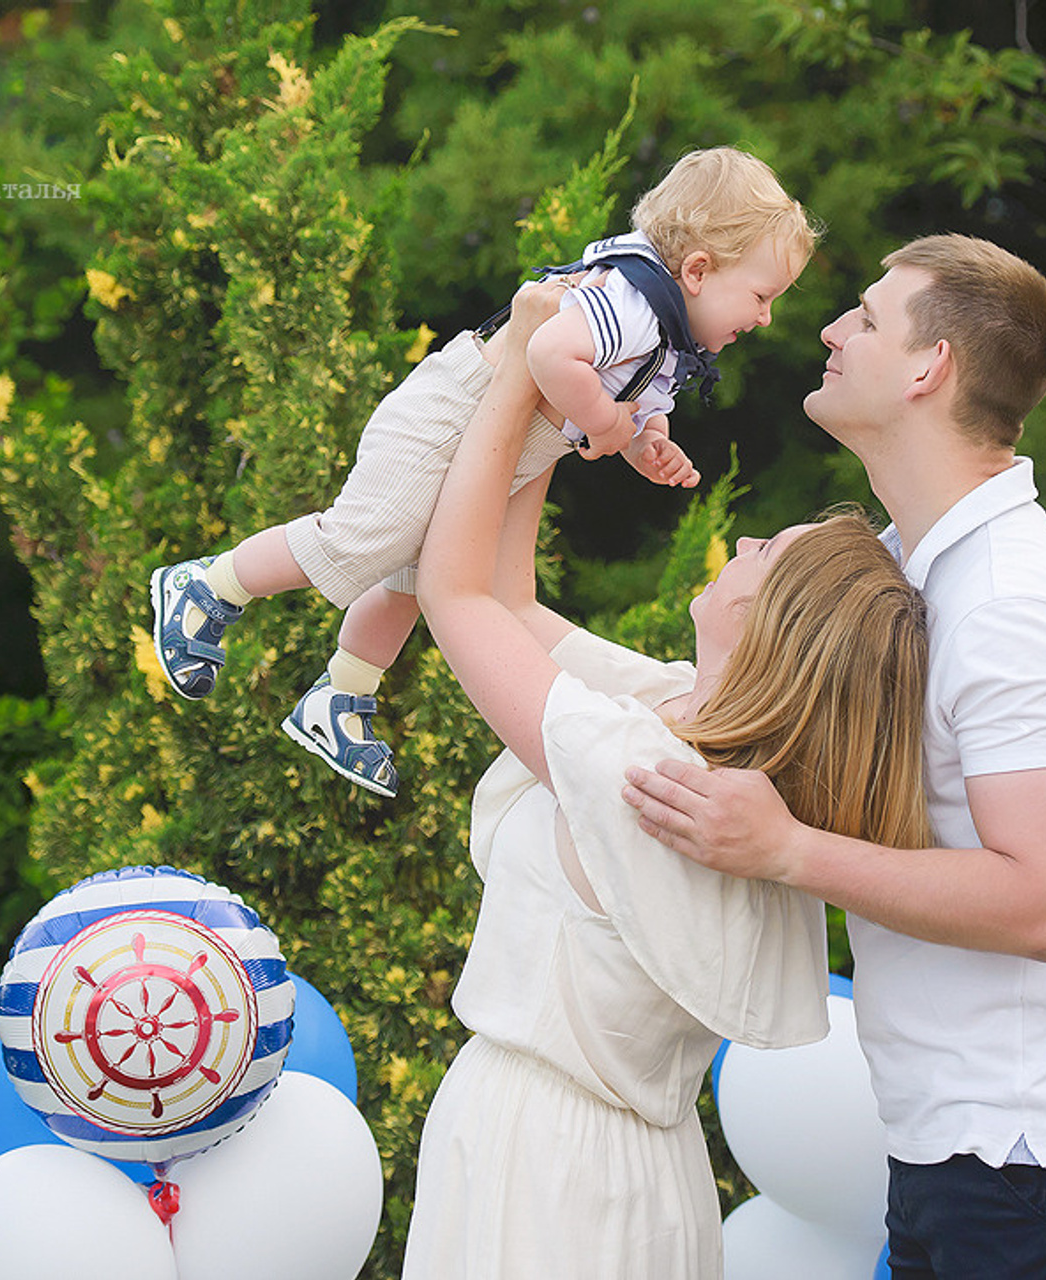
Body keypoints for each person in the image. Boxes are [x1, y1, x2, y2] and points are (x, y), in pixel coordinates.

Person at [621, 234, 1046, 1279]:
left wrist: (788, 850)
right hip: (966, 1146)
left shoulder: (1009, 603)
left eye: (868, 318)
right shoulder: (913, 562)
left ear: (931, 368)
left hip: (1031, 1158)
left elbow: (1044, 903)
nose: (832, 330)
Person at [397, 281, 930, 1278]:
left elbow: (453, 592)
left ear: (768, 624)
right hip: (645, 1169)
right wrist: (559, 412)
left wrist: (518, 369)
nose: (744, 543)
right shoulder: (707, 742)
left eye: (766, 551)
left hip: (541, 1163)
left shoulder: (645, 768)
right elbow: (510, 600)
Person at [147, 146, 817, 798]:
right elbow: (549, 351)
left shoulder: (669, 336)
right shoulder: (632, 302)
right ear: (697, 271)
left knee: (410, 579)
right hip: (455, 411)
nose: (766, 316)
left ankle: (341, 696)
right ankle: (209, 584)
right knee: (360, 540)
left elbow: (640, 405)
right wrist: (606, 423)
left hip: (505, 440)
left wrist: (648, 442)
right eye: (762, 295)